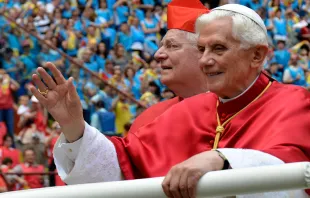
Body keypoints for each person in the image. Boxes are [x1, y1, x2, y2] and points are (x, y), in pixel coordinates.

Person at [29, 3, 310, 198]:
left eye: (218, 48)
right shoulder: (186, 111)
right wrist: (73, 125)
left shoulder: (295, 104)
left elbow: (296, 172)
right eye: (201, 49)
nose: (206, 60)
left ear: (257, 56)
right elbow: (124, 167)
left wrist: (221, 160)